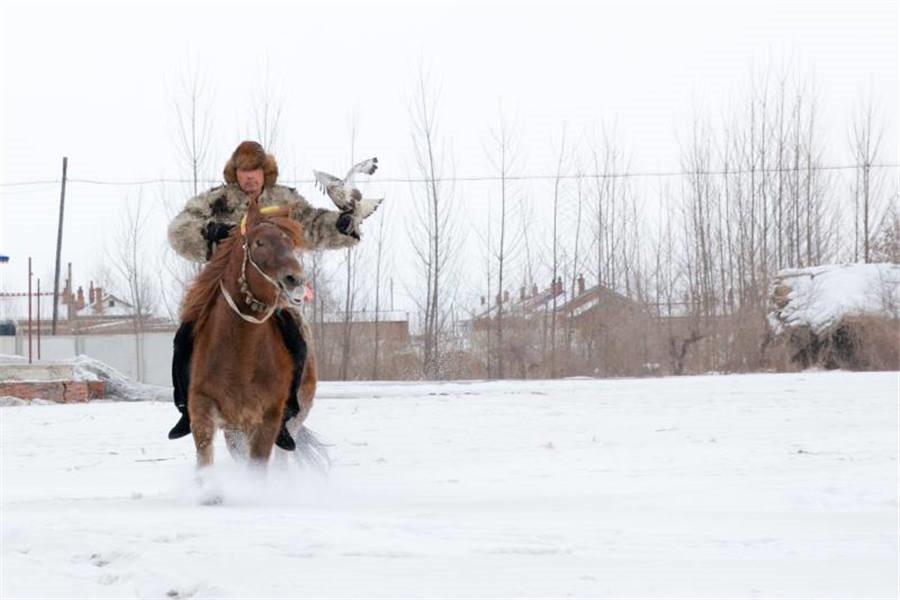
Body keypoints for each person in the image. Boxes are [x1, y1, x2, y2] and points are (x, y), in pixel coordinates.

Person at [166, 140, 360, 449]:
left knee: (296, 338)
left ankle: (286, 413)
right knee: (185, 335)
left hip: (271, 290)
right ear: (236, 173)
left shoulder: (284, 201)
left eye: (254, 170)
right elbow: (179, 229)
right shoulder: (217, 200)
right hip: (222, 289)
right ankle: (185, 409)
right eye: (243, 171)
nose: (249, 177)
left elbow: (311, 224)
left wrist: (342, 225)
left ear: (264, 171)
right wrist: (208, 232)